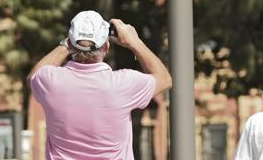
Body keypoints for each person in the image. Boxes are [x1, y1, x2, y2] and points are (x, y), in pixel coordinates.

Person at [27, 10, 172, 160]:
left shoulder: (50, 81)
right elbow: (164, 79)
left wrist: (66, 45)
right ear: (106, 47)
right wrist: (134, 42)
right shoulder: (123, 84)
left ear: (71, 42)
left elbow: (33, 76)